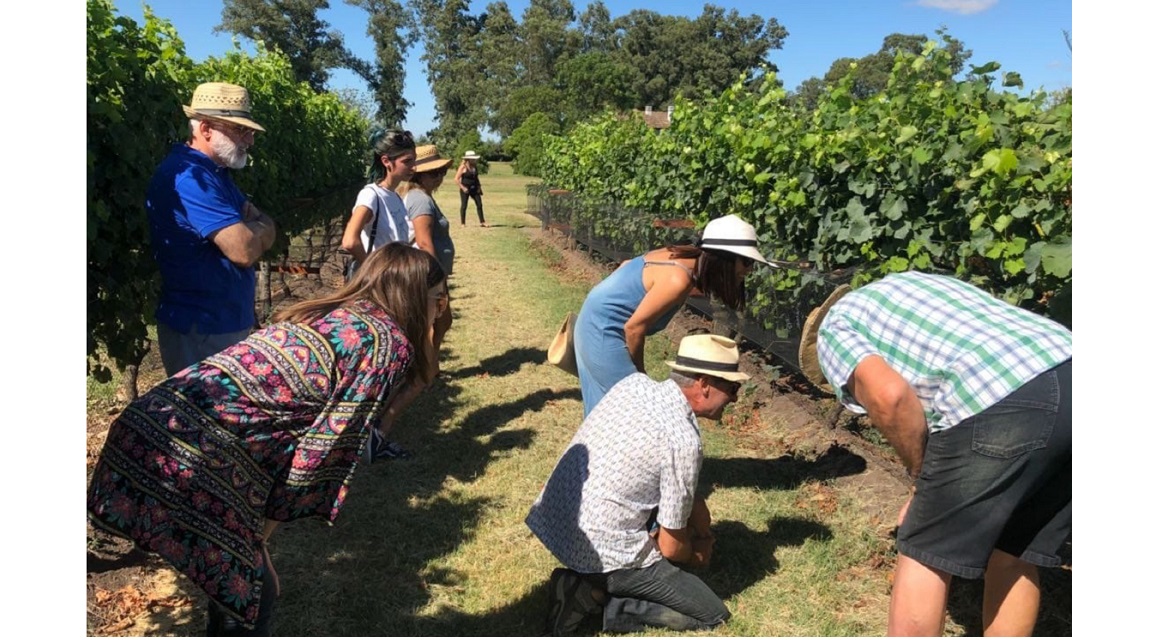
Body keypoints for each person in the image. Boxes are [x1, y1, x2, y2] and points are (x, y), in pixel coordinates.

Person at [87, 244, 449, 635]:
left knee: (240, 589)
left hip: (149, 425)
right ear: (414, 296)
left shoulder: (333, 312)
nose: (441, 309)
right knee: (253, 595)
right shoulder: (385, 345)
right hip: (192, 451)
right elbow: (323, 451)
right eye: (439, 299)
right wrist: (258, 540)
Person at [798, 271, 1072, 636]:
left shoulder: (835, 330)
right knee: (1014, 551)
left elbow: (890, 397)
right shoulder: (915, 285)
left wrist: (920, 477)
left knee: (925, 553)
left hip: (998, 393)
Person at [527, 334, 747, 635]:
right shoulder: (682, 440)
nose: (735, 397)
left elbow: (682, 491)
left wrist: (699, 524)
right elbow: (671, 549)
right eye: (732, 387)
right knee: (711, 613)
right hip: (602, 552)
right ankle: (595, 600)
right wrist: (696, 552)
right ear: (704, 383)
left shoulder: (634, 385)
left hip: (557, 523)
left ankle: (584, 584)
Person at [573, 214, 771, 417]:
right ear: (724, 258)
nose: (749, 270)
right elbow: (633, 328)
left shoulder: (678, 256)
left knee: (611, 409)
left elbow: (627, 264)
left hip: (593, 324)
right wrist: (641, 379)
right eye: (746, 261)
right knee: (628, 409)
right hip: (604, 333)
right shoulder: (679, 279)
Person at [147, 81, 277, 376]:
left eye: (250, 131)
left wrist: (258, 226)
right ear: (206, 129)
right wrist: (259, 227)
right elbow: (244, 250)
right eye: (240, 130)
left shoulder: (215, 174)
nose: (250, 141)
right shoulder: (191, 179)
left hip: (221, 324)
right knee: (207, 418)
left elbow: (266, 227)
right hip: (202, 329)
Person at [340, 129, 418, 461]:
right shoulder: (371, 194)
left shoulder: (396, 198)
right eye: (407, 161)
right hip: (377, 294)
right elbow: (349, 238)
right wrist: (373, 267)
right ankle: (362, 439)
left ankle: (369, 437)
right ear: (386, 162)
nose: (413, 167)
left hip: (392, 291)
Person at [402, 144, 456, 367]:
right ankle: (426, 370)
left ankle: (430, 368)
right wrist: (437, 279)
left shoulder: (422, 196)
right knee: (436, 322)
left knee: (439, 322)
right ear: (419, 174)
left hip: (429, 274)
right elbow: (424, 242)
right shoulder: (420, 199)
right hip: (427, 275)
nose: (440, 177)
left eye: (442, 172)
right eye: (434, 173)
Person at [454, 150, 486, 227]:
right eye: (473, 159)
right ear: (468, 159)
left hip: (474, 188)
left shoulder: (475, 167)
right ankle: (463, 223)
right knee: (464, 205)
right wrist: (463, 188)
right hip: (465, 189)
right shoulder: (463, 167)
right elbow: (456, 179)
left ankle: (482, 222)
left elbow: (476, 178)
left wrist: (479, 187)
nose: (474, 160)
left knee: (479, 204)